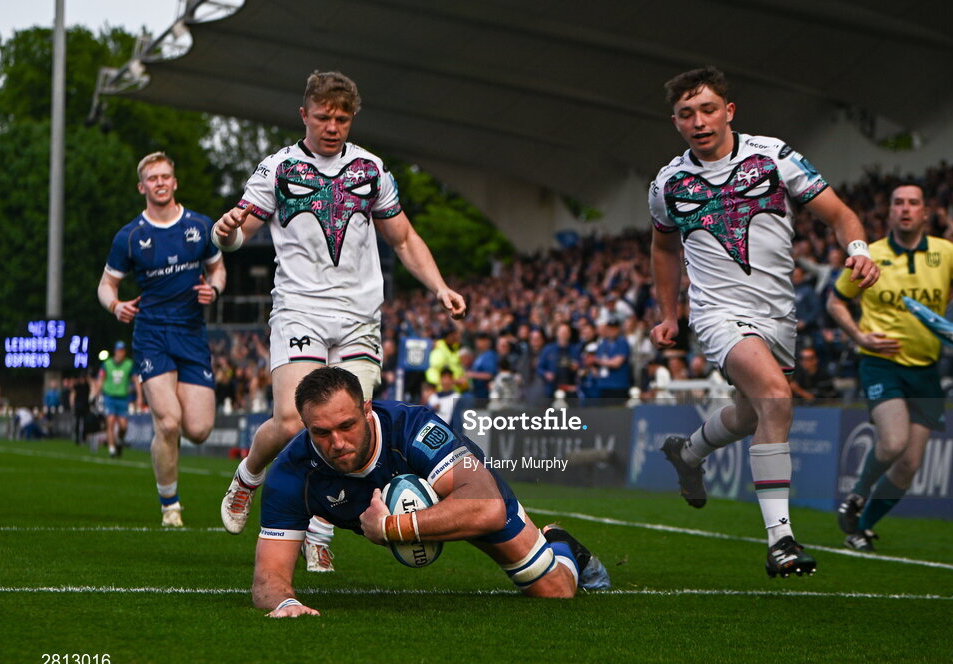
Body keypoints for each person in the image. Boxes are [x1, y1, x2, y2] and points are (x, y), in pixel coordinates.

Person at [215, 71, 465, 571]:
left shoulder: (370, 170)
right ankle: (247, 477)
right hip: (299, 307)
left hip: (358, 318)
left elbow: (404, 239)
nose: (333, 126)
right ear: (304, 114)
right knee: (292, 423)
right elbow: (239, 230)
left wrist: (438, 286)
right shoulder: (279, 169)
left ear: (353, 118)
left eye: (342, 118)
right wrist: (225, 237)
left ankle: (320, 528)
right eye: (324, 116)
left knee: (350, 428)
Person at [648, 66, 880, 577]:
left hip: (778, 315)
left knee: (754, 415)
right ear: (676, 123)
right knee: (776, 396)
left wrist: (859, 250)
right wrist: (670, 313)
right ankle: (782, 541)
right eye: (687, 114)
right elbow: (663, 248)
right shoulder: (668, 183)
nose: (699, 121)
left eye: (708, 109)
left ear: (729, 111)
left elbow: (840, 215)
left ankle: (688, 453)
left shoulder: (773, 157)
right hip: (717, 314)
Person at [251, 367, 610, 617]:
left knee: (555, 590)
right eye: (321, 432)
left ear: (366, 409)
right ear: (306, 426)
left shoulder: (413, 427)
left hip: (464, 496)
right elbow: (268, 577)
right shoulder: (291, 471)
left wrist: (392, 528)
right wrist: (284, 603)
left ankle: (560, 542)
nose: (337, 443)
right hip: (422, 515)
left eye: (347, 425)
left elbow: (486, 507)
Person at [827, 184, 953, 551]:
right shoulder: (869, 254)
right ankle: (856, 496)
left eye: (913, 203)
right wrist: (858, 336)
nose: (905, 209)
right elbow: (836, 302)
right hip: (881, 363)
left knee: (909, 464)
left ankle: (860, 528)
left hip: (926, 368)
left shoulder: (946, 253)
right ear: (889, 212)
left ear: (925, 212)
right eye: (898, 203)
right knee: (893, 442)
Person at [97, 151, 224, 527]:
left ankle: (171, 496)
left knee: (198, 431)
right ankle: (171, 507)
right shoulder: (131, 236)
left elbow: (218, 269)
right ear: (142, 187)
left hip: (191, 335)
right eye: (153, 178)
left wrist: (214, 290)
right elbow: (107, 284)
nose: (160, 182)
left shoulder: (201, 227)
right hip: (151, 335)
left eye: (166, 176)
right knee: (168, 423)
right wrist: (115, 306)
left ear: (175, 182)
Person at [94, 341, 142, 458]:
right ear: (115, 351)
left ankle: (119, 440)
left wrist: (139, 397)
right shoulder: (107, 364)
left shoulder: (129, 365)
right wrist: (95, 394)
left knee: (123, 426)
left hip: (122, 398)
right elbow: (101, 380)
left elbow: (136, 381)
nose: (120, 353)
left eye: (122, 351)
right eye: (119, 351)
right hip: (109, 397)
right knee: (110, 422)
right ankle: (111, 449)